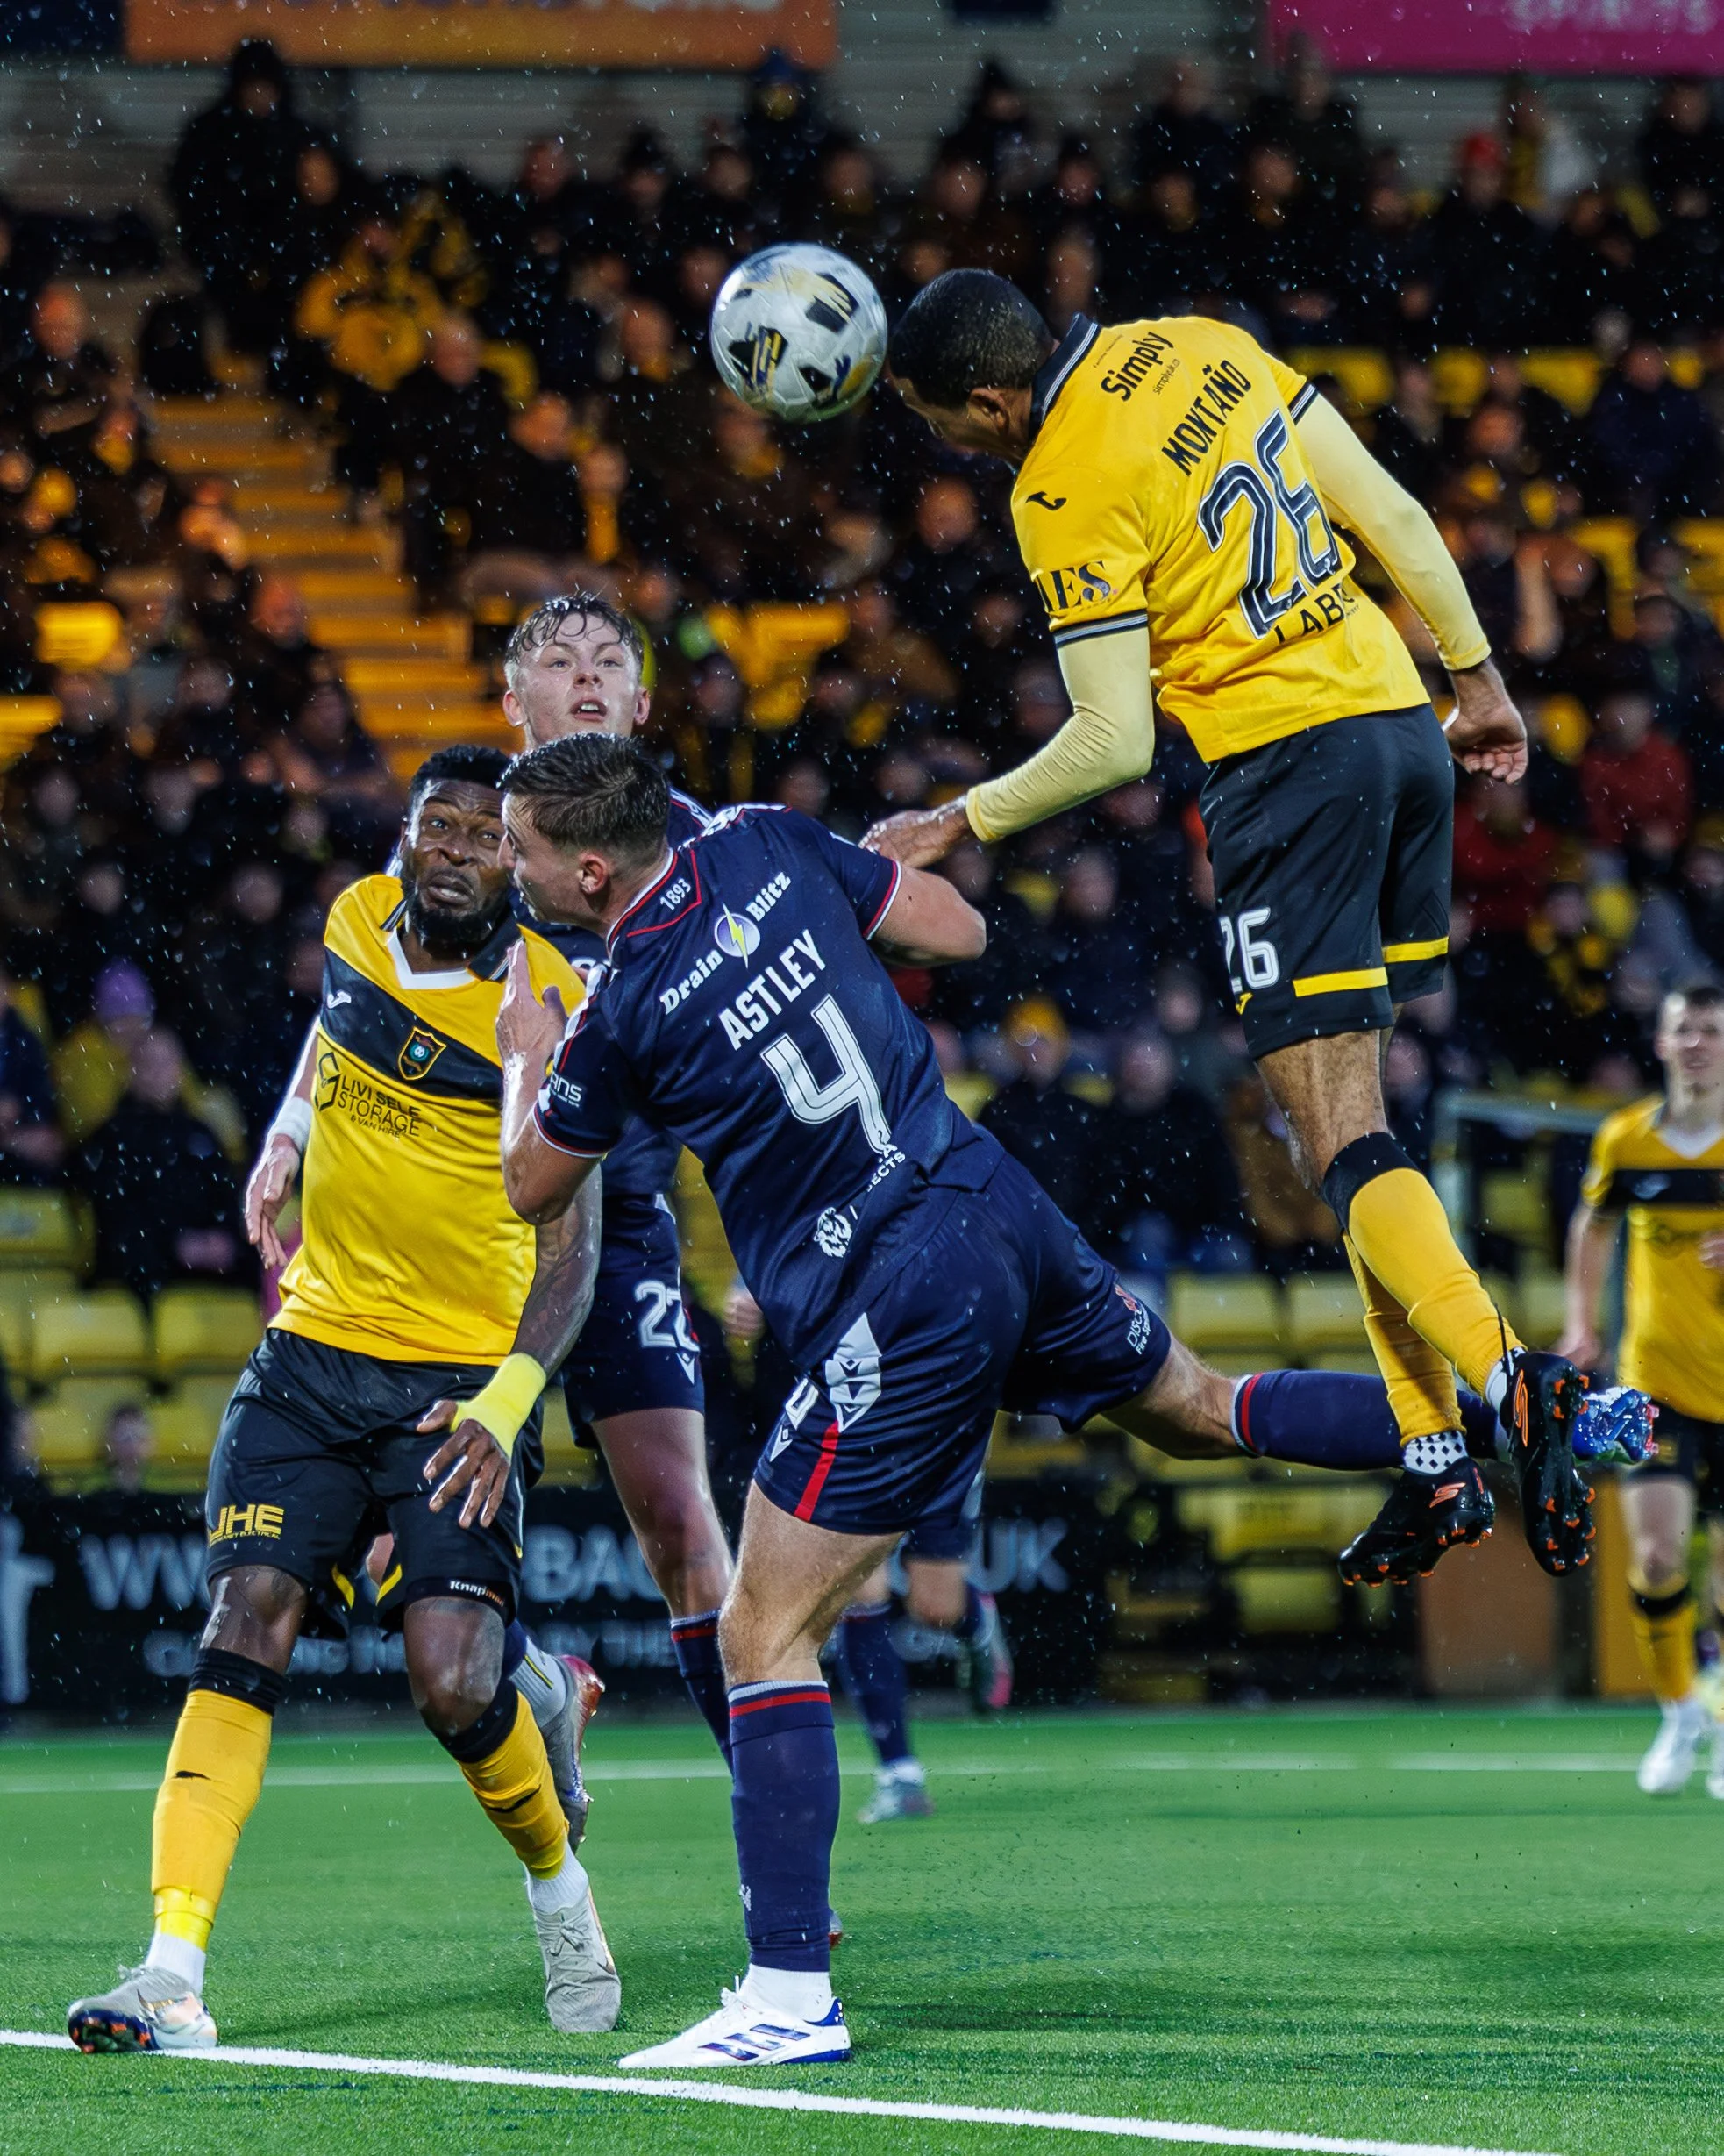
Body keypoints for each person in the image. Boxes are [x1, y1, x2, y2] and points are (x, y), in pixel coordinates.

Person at [488, 733, 1600, 2068]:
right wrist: (853, 892)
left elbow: (531, 1185)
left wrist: (525, 1048)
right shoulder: (764, 843)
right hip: (990, 1203)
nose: (509, 863)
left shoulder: (616, 1006)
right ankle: (1516, 1415)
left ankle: (786, 1995)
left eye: (520, 846)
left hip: (886, 1291)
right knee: (1201, 1402)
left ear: (591, 865)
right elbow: (953, 926)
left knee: (762, 1629)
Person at [871, 268, 1594, 1591]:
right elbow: (1383, 508)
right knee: (1354, 1135)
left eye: (939, 419)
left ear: (987, 396)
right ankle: (1431, 1457)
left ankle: (1505, 1385)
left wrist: (950, 822)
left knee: (1332, 1140)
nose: (947, 443)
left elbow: (1109, 740)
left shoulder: (1056, 489)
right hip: (1396, 730)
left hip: (1287, 770)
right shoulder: (1198, 342)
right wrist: (1476, 676)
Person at [67, 747, 613, 2057]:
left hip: (458, 1381)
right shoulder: (357, 921)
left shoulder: (550, 1003)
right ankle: (171, 1970)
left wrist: (507, 1400)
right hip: (313, 1351)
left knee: (446, 1680)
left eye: (487, 833)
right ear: (408, 838)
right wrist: (288, 1137)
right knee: (245, 1612)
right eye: (439, 824)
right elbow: (337, 1031)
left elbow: (573, 1244)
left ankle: (559, 1887)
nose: (456, 848)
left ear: (518, 859)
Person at [498, 596, 737, 1759]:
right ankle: (541, 1682)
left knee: (684, 1521)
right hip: (472, 1223)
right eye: (558, 659)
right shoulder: (468, 841)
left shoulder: (699, 842)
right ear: (514, 702)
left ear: (642, 703)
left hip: (623, 1217)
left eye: (608, 661)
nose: (585, 674)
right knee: (387, 1552)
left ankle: (773, 1834)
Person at [1559, 982, 1724, 1797]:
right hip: (1651, 1387)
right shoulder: (1627, 1141)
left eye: (1712, 1030)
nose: (1697, 1043)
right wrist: (1582, 1323)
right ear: (1661, 1044)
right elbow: (1591, 1226)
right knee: (1656, 1556)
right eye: (1683, 1029)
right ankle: (1680, 1710)